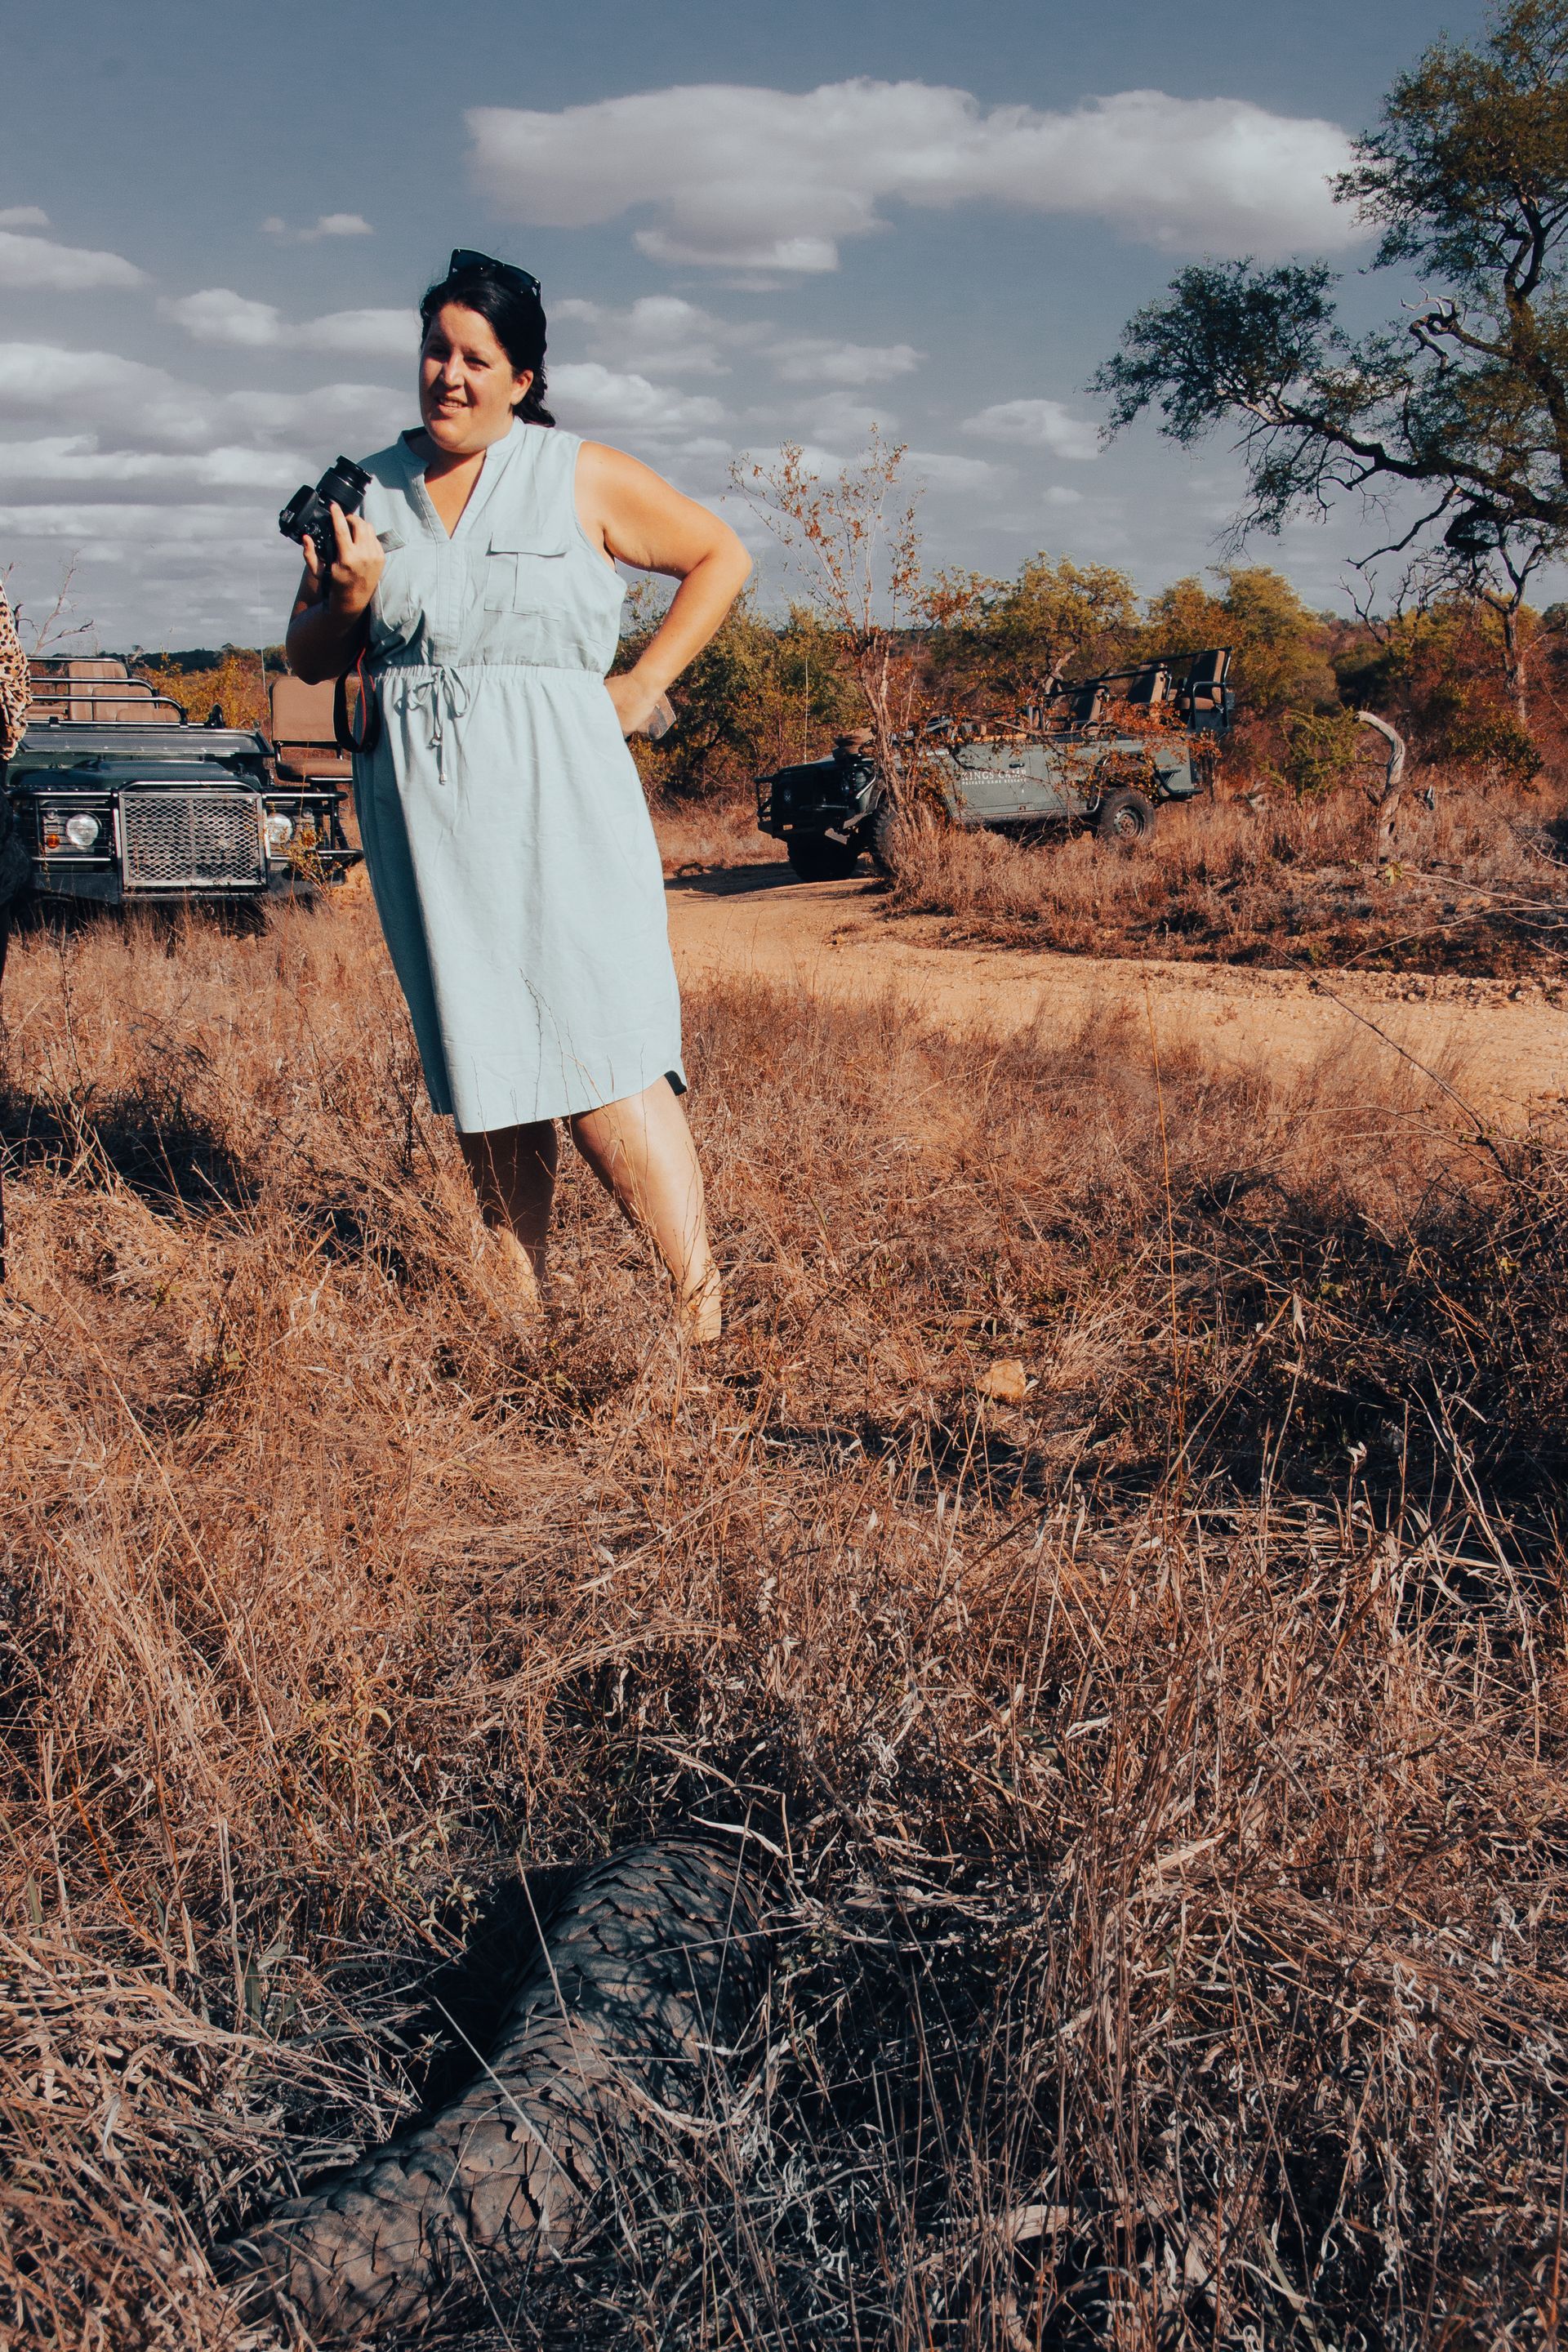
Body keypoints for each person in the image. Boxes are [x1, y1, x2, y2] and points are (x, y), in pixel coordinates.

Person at [285, 251, 751, 1341]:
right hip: (425, 812)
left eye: (475, 358)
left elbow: (719, 555)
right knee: (487, 1050)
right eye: (435, 351)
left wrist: (642, 686)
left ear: (523, 377)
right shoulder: (368, 485)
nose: (448, 375)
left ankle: (700, 1320)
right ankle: (522, 1320)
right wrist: (346, 595)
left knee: (601, 1046)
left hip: (560, 797)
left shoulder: (578, 472)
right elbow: (309, 657)